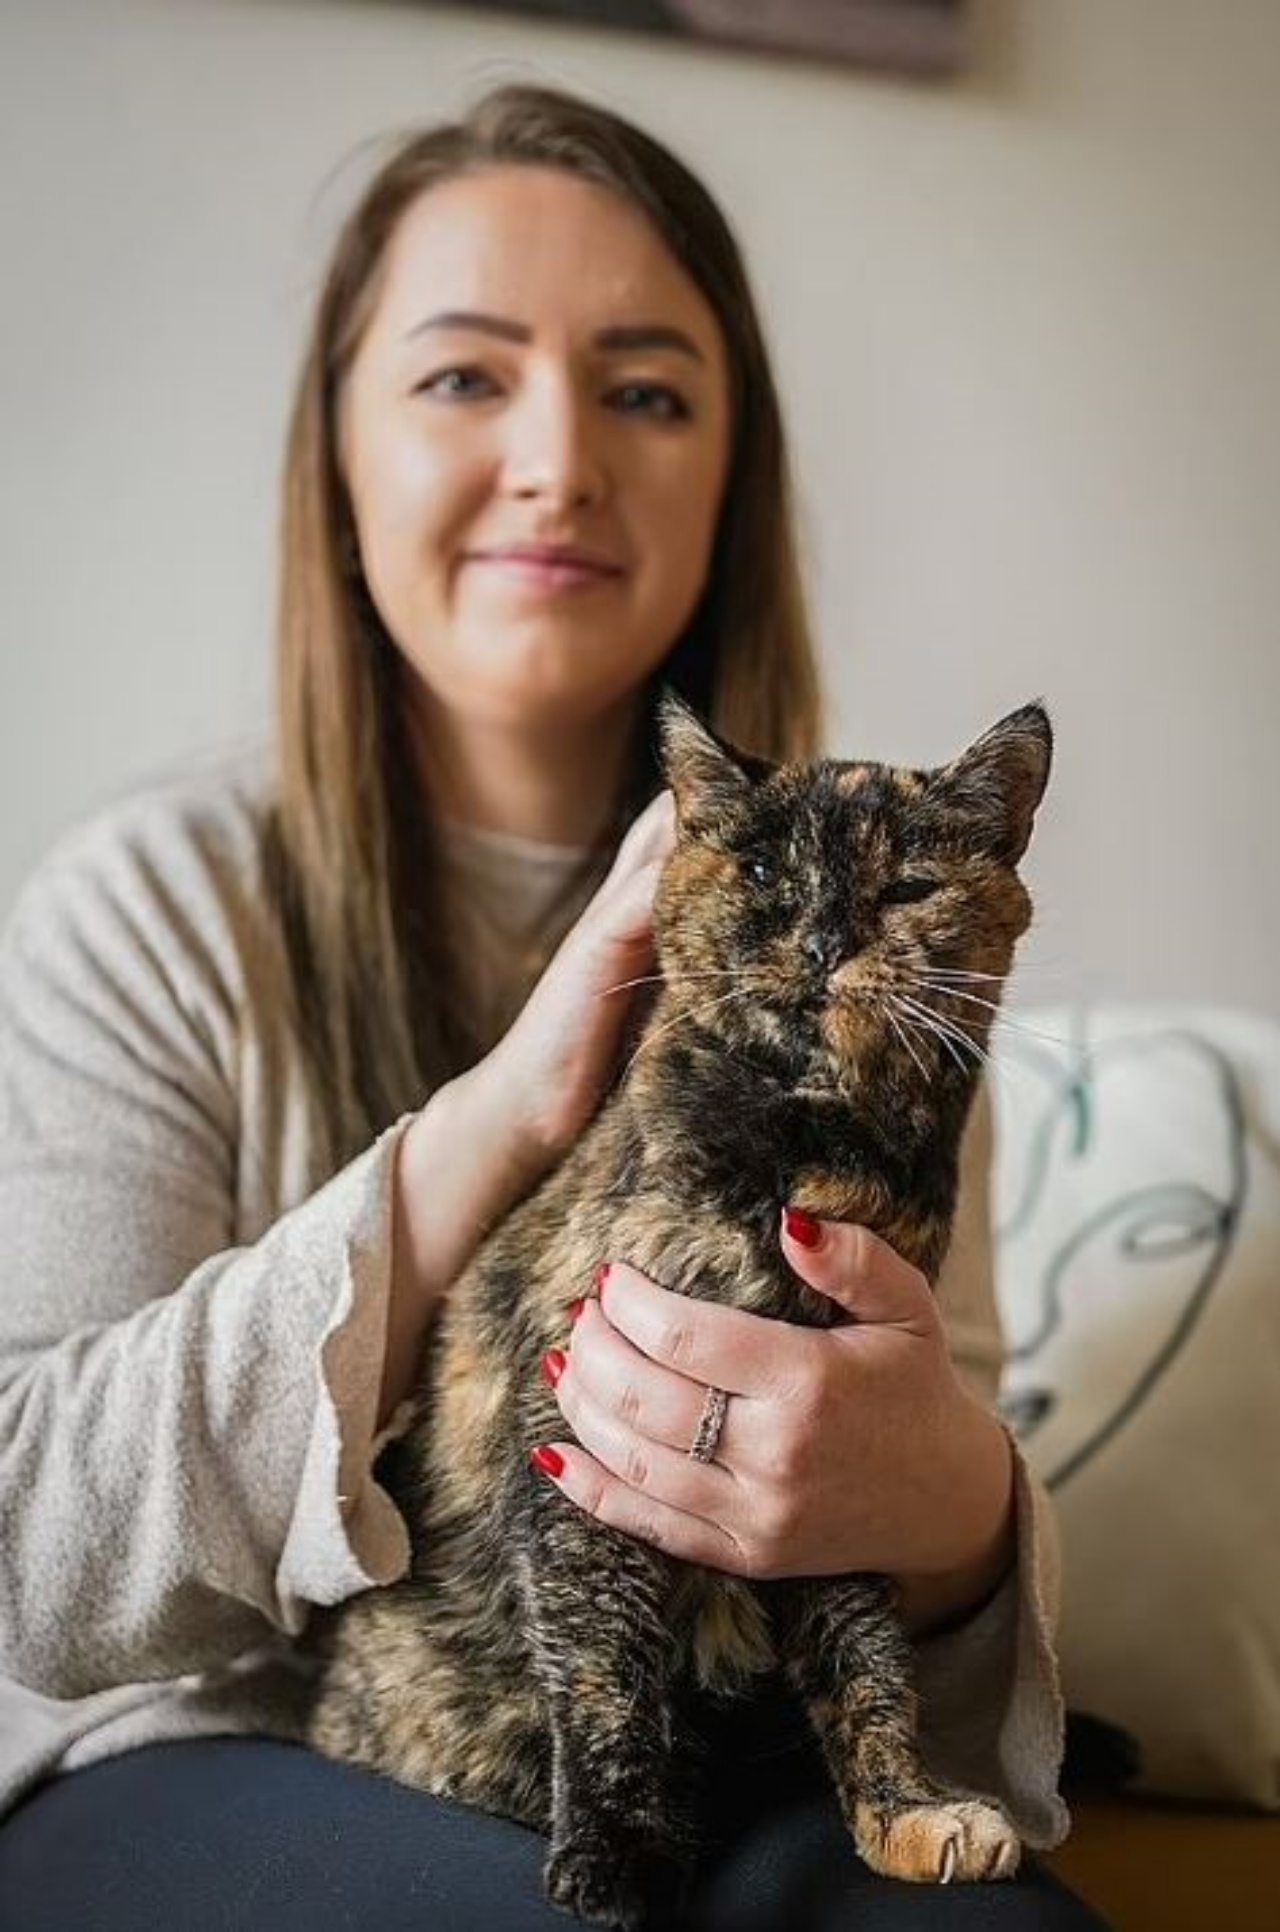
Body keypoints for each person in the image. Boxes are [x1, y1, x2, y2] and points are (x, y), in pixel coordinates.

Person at [0, 84, 1106, 1930]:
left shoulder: (880, 952)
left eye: (648, 390)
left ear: (732, 478)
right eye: (461, 377)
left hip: (723, 1715)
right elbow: (32, 1554)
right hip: (204, 1737)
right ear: (334, 459)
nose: (559, 458)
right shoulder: (155, 903)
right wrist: (500, 1115)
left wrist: (959, 1518)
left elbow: (902, 1498)